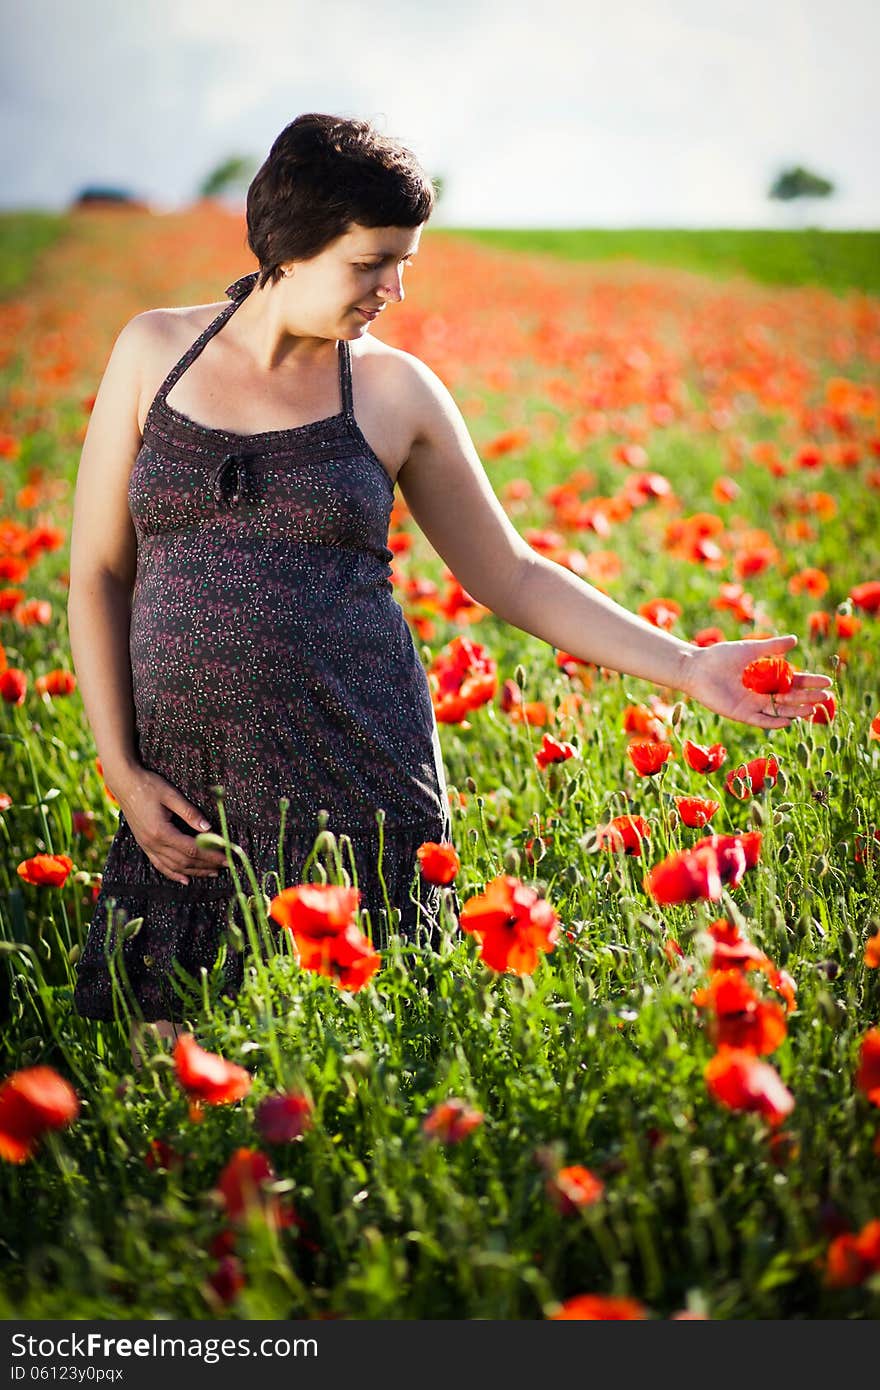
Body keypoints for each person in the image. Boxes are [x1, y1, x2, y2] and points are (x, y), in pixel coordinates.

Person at [67, 112, 833, 1068]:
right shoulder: (153, 352)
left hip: (356, 790)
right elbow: (97, 572)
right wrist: (122, 775)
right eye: (373, 262)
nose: (394, 289)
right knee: (158, 1088)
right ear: (290, 246)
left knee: (341, 1079)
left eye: (407, 264)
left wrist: (687, 666)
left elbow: (508, 571)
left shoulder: (395, 394)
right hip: (186, 798)